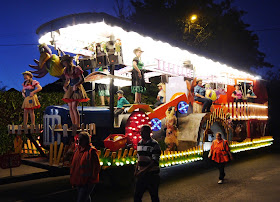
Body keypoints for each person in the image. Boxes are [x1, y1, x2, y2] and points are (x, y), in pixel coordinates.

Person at [70, 132, 100, 202]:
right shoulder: (77, 150)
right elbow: (74, 166)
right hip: (79, 181)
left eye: (80, 140)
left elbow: (96, 168)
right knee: (85, 199)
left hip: (87, 183)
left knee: (81, 199)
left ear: (86, 141)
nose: (79, 142)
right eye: (78, 140)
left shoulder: (91, 152)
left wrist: (90, 180)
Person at [134, 125, 161, 202]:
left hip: (152, 175)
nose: (141, 134)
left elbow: (154, 161)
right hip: (142, 175)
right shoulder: (139, 143)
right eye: (140, 132)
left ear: (149, 132)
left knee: (154, 196)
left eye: (143, 132)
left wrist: (142, 171)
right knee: (137, 196)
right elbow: (139, 159)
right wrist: (136, 170)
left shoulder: (155, 144)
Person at [61, 55, 89, 127]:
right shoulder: (66, 70)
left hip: (76, 87)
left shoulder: (76, 69)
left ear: (68, 62)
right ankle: (73, 124)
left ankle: (77, 124)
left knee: (74, 107)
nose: (64, 64)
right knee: (70, 107)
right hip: (70, 87)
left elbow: (82, 79)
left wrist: (76, 85)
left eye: (65, 62)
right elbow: (67, 80)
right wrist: (64, 86)